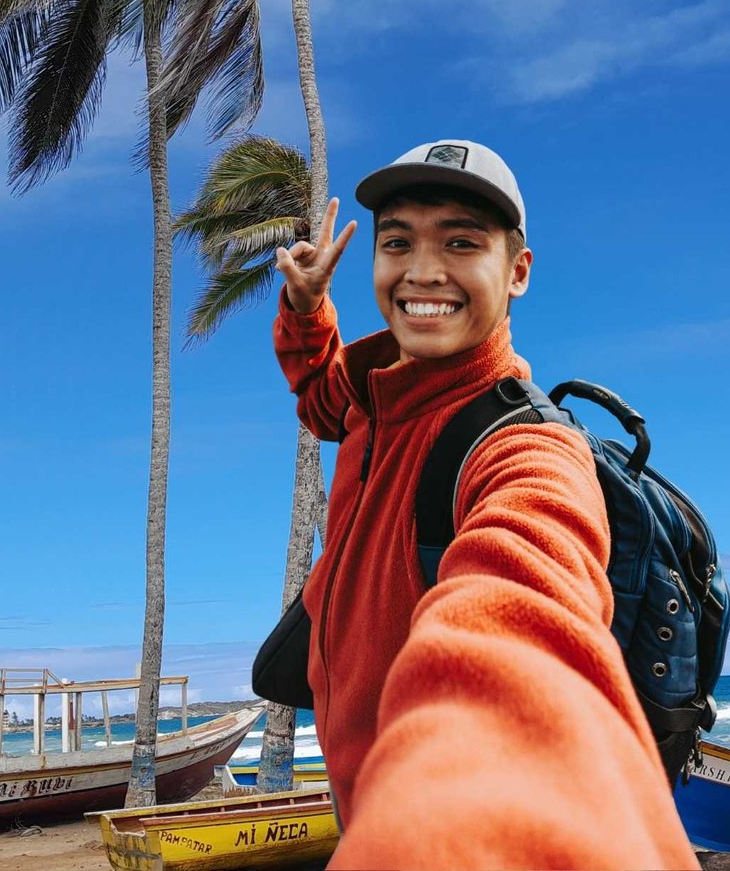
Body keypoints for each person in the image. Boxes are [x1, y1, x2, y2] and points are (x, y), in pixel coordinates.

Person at [274, 140, 698, 868]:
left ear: (518, 272)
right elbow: (319, 401)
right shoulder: (373, 389)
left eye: (462, 242)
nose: (423, 271)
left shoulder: (526, 450)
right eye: (398, 242)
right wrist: (307, 309)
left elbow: (517, 633)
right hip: (364, 797)